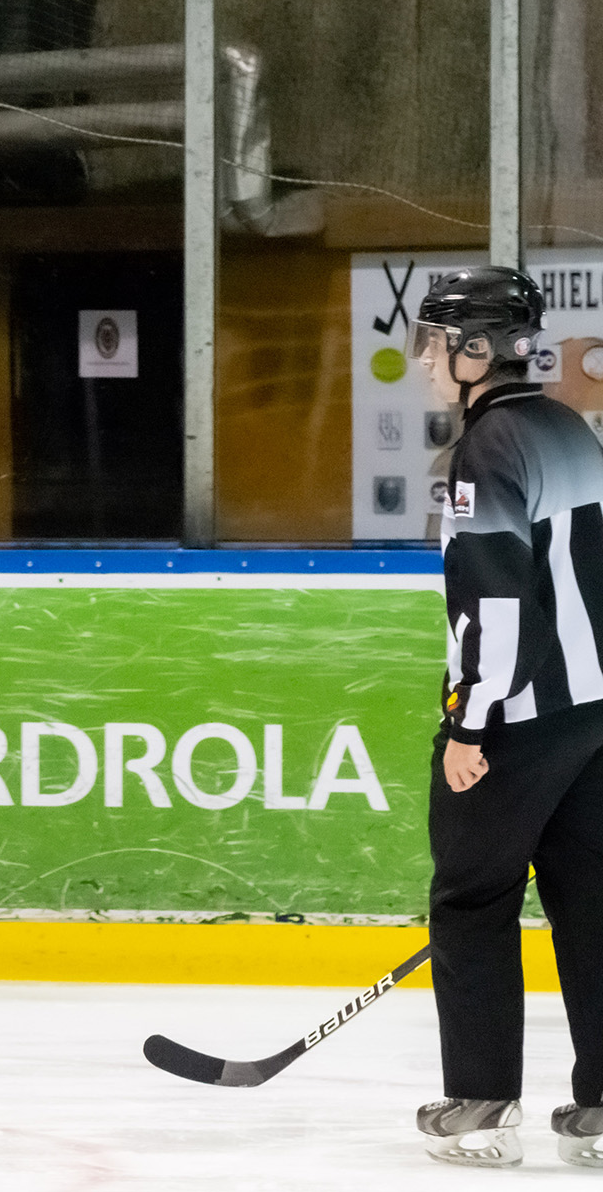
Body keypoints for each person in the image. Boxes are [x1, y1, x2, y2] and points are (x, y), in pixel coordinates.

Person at [411, 265, 603, 1169]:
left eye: (433, 340)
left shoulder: (484, 451)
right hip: (594, 713)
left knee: (473, 899)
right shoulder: (571, 427)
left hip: (517, 720)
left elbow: (494, 600)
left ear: (474, 350)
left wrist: (472, 726)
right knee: (592, 904)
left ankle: (481, 1106)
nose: (421, 357)